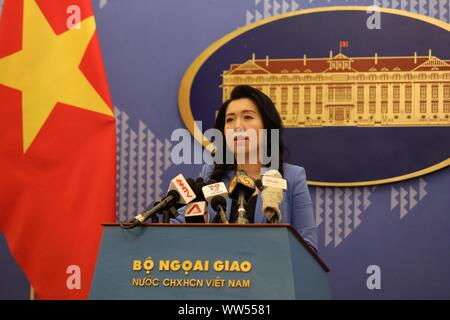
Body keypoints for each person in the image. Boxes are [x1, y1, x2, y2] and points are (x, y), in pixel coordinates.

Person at [176, 85, 318, 252]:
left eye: (247, 117)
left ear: (267, 127)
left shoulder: (292, 177)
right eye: (229, 120)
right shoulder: (210, 174)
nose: (237, 126)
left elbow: (308, 248)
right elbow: (180, 226)